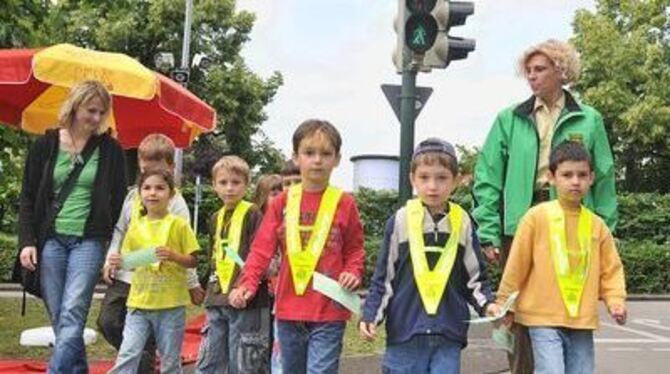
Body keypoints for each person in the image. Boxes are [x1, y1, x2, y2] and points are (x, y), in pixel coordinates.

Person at [472, 39, 618, 373]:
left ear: (561, 71)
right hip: (520, 224)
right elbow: (488, 177)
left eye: (540, 69)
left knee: (569, 307)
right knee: (517, 310)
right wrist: (490, 232)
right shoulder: (508, 119)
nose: (532, 77)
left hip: (573, 226)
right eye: (529, 71)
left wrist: (605, 230)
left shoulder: (589, 119)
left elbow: (605, 176)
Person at [229, 119, 365, 374]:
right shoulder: (281, 202)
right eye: (309, 153)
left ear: (337, 159)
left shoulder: (345, 203)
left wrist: (353, 272)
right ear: (296, 157)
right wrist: (246, 283)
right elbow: (261, 249)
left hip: (329, 310)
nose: (317, 160)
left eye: (326, 154)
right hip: (288, 309)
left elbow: (355, 249)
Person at [359, 138, 498, 374]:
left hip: (448, 333)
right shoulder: (400, 220)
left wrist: (488, 306)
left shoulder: (462, 222)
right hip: (405, 332)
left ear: (455, 181)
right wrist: (371, 314)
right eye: (424, 177)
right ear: (413, 179)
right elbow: (384, 278)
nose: (433, 186)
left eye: (442, 178)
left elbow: (475, 278)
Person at [17, 80, 127, 373]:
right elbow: (27, 197)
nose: (95, 118)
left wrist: (115, 246)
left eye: (101, 112)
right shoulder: (45, 145)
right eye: (91, 110)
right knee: (60, 316)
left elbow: (119, 203)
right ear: (75, 105)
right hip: (50, 240)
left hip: (89, 242)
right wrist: (27, 241)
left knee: (73, 313)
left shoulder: (111, 150)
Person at [494, 141, 627, 374]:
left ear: (592, 178)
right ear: (551, 177)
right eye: (567, 174)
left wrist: (615, 301)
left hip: (582, 320)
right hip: (541, 318)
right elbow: (517, 264)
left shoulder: (598, 226)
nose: (575, 181)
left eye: (582, 175)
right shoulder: (535, 218)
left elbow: (611, 270)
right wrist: (506, 303)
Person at [97, 133, 205, 374]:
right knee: (109, 321)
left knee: (166, 351)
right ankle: (144, 357)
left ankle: (145, 363)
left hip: (163, 285)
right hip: (131, 279)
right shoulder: (132, 197)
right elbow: (120, 231)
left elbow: (184, 248)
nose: (152, 190)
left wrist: (192, 283)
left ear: (170, 167)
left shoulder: (177, 206)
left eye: (158, 171)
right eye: (145, 168)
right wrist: (111, 260)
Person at [195, 156, 269, 374]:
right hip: (217, 296)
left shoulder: (253, 213)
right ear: (214, 185)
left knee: (245, 362)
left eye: (236, 183)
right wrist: (203, 286)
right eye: (223, 182)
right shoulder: (215, 217)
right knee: (210, 358)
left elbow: (260, 253)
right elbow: (214, 255)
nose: (229, 188)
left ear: (246, 185)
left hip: (247, 299)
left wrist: (245, 287)